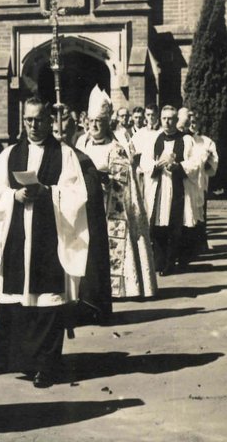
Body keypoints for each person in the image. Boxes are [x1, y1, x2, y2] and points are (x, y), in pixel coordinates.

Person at [0, 97, 90, 388]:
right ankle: (25, 362)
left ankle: (46, 364)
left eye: (39, 120)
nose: (34, 125)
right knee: (21, 298)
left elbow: (76, 195)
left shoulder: (65, 154)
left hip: (49, 236)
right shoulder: (9, 155)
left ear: (50, 120)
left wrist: (47, 191)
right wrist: (13, 196)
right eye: (28, 120)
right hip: (18, 235)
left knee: (47, 300)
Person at [76, 97, 157, 300]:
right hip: (87, 204)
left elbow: (123, 181)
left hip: (112, 205)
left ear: (107, 124)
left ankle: (123, 288)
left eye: (99, 122)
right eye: (91, 121)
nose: (94, 126)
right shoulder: (81, 144)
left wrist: (105, 180)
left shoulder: (116, 148)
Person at [140, 105, 203, 276]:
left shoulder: (186, 140)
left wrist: (178, 166)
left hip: (178, 187)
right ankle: (159, 261)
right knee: (158, 225)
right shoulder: (154, 140)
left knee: (176, 226)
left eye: (171, 119)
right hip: (159, 187)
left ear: (176, 121)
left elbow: (196, 163)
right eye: (164, 119)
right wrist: (156, 165)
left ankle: (171, 262)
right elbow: (144, 162)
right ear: (160, 120)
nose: (167, 122)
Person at [186, 111, 219, 254]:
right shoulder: (184, 139)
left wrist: (206, 161)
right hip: (186, 184)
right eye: (190, 122)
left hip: (200, 184)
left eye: (195, 122)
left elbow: (212, 165)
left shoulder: (206, 141)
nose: (192, 125)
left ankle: (200, 245)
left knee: (200, 214)